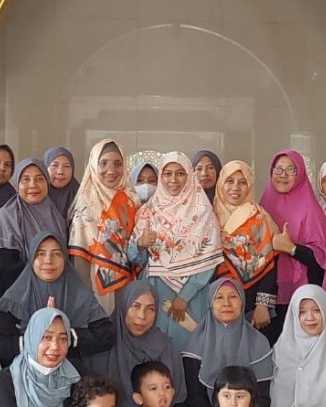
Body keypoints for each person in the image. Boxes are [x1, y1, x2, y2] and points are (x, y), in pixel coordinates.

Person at [181, 279, 274, 407]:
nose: (226, 303)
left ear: (242, 303)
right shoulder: (195, 343)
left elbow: (263, 396)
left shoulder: (258, 342)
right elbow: (195, 398)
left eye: (233, 297)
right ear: (210, 303)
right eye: (219, 298)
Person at [128, 152, 223, 349]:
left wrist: (184, 296)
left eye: (180, 173)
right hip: (156, 290)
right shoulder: (148, 211)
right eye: (167, 173)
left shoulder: (203, 212)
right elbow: (135, 258)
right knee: (155, 347)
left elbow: (209, 259)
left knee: (189, 347)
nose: (173, 179)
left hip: (192, 294)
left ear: (189, 175)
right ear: (161, 177)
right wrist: (141, 245)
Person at [0, 232, 113, 369]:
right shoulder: (15, 297)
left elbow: (106, 336)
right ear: (32, 258)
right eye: (41, 254)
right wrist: (39, 337)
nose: (48, 260)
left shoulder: (79, 294)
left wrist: (66, 336)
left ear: (65, 258)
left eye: (56, 254)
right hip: (25, 374)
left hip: (71, 373)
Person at [259, 149, 326, 343]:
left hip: (302, 296)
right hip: (265, 296)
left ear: (301, 173)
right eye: (278, 169)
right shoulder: (262, 206)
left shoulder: (311, 209)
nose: (283, 175)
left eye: (291, 170)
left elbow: (322, 261)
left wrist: (292, 248)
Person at [86, 281, 185, 407]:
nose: (142, 316)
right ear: (123, 306)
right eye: (135, 306)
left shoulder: (166, 346)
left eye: (150, 309)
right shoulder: (102, 342)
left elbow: (178, 400)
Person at [68, 139, 140, 313]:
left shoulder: (132, 200)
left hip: (129, 280)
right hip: (96, 282)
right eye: (104, 163)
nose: (111, 170)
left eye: (118, 164)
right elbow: (80, 254)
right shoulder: (86, 203)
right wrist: (86, 293)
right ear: (93, 165)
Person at [0, 157, 68, 299]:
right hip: (20, 293)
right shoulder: (7, 215)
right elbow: (8, 268)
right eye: (26, 179)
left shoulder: (54, 213)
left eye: (39, 179)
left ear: (47, 182)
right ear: (17, 184)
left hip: (56, 289)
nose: (33, 185)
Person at [212, 160, 278, 331]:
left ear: (249, 186)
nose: (236, 187)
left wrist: (262, 305)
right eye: (230, 181)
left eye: (242, 182)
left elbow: (270, 264)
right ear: (221, 183)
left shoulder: (260, 217)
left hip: (251, 303)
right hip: (214, 301)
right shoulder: (208, 215)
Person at [44, 147, 80, 218]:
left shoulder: (82, 196)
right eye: (55, 165)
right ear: (45, 168)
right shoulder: (35, 195)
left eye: (66, 166)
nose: (60, 172)